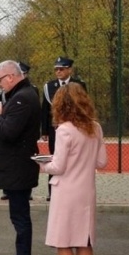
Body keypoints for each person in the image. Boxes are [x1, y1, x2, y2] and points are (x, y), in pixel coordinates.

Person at [40, 83, 108, 255]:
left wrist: (43, 165)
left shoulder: (64, 130)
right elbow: (102, 161)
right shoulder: (95, 127)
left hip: (66, 191)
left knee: (64, 243)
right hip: (86, 191)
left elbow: (58, 167)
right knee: (84, 242)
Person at [0, 60, 41, 255]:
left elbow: (10, 131)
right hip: (16, 165)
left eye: (0, 80)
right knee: (18, 216)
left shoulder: (22, 98)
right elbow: (10, 130)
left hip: (17, 166)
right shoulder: (22, 95)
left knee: (20, 218)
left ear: (10, 76)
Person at [41, 56, 87, 201]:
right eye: (56, 69)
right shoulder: (49, 87)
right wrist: (44, 131)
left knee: (74, 158)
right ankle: (52, 191)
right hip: (55, 128)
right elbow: (44, 110)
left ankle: (72, 189)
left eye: (61, 69)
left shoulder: (78, 85)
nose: (58, 72)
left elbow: (83, 107)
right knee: (55, 157)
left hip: (75, 128)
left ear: (69, 70)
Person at [1, 61, 38, 201]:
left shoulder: (25, 94)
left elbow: (12, 129)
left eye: (1, 80)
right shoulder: (8, 92)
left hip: (19, 151)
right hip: (16, 151)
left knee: (20, 209)